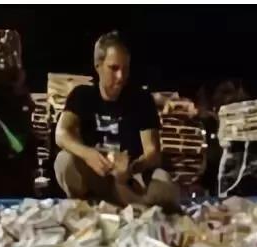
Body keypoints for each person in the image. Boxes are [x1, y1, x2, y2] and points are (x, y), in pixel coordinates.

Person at [54, 31, 180, 209]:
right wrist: (88, 154)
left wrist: (133, 167)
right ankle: (88, 203)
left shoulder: (141, 99)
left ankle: (129, 204)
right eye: (114, 68)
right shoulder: (82, 95)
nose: (121, 76)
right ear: (98, 66)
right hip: (96, 174)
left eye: (125, 69)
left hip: (130, 179)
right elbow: (61, 134)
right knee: (64, 161)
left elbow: (152, 151)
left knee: (165, 185)